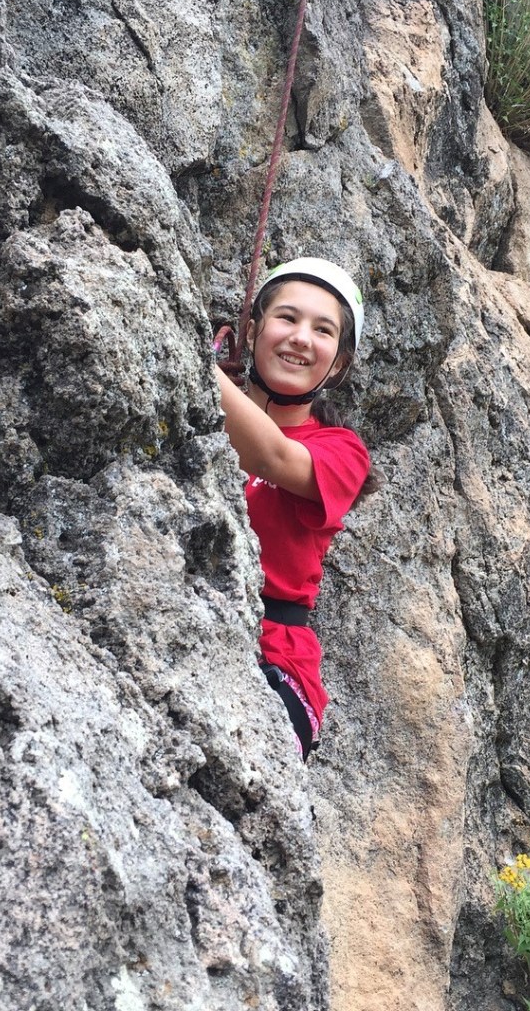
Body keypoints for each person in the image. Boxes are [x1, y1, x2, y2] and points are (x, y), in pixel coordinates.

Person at [215, 258, 378, 761]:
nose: (301, 337)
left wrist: (191, 364)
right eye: (286, 318)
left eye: (322, 329)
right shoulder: (196, 408)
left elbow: (273, 455)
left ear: (340, 362)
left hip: (277, 662)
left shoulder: (341, 452)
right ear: (251, 329)